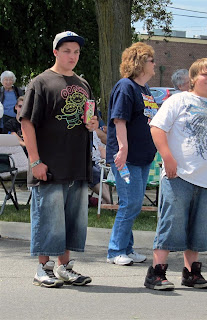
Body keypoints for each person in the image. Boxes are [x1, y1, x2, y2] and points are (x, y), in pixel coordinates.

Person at [144, 58, 207, 290]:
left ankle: (192, 272)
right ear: (193, 78)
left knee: (199, 227)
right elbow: (157, 128)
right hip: (179, 175)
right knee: (171, 223)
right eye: (205, 74)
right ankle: (157, 272)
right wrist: (168, 158)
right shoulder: (178, 100)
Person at [20, 31, 98, 288]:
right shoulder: (40, 83)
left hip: (77, 164)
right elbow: (28, 123)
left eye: (76, 52)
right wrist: (35, 161)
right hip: (50, 165)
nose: (72, 56)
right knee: (49, 219)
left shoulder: (83, 84)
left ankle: (65, 267)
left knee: (73, 221)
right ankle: (43, 268)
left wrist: (92, 125)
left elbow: (87, 119)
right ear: (55, 52)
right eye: (67, 51)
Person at [106, 42, 158, 266]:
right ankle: (115, 250)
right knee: (130, 203)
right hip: (126, 158)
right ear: (139, 63)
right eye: (151, 60)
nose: (155, 64)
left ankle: (127, 248)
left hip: (143, 157)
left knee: (133, 203)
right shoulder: (125, 87)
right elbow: (119, 120)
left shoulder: (144, 90)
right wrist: (123, 149)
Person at [89, 130, 111, 205]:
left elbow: (100, 149)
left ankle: (106, 201)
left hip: (99, 162)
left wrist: (110, 160)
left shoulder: (93, 133)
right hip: (88, 163)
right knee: (94, 172)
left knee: (112, 170)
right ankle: (110, 201)